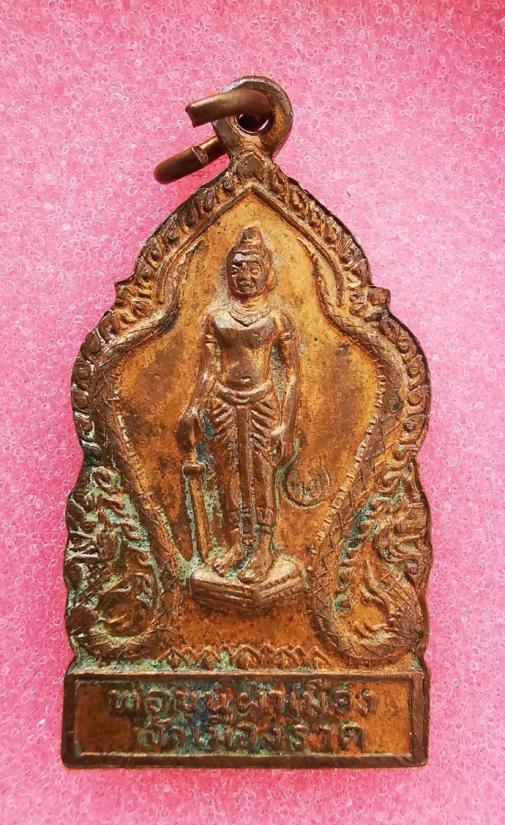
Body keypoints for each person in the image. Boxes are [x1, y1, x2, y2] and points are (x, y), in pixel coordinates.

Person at [177, 226, 300, 584]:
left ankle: (263, 547)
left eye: (253, 268)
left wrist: (286, 425)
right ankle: (234, 543)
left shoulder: (276, 318)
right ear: (228, 274)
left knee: (262, 473)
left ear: (267, 274)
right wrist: (193, 407)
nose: (244, 275)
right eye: (237, 268)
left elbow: (293, 374)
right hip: (223, 402)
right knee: (227, 472)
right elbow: (207, 370)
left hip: (263, 403)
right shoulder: (217, 318)